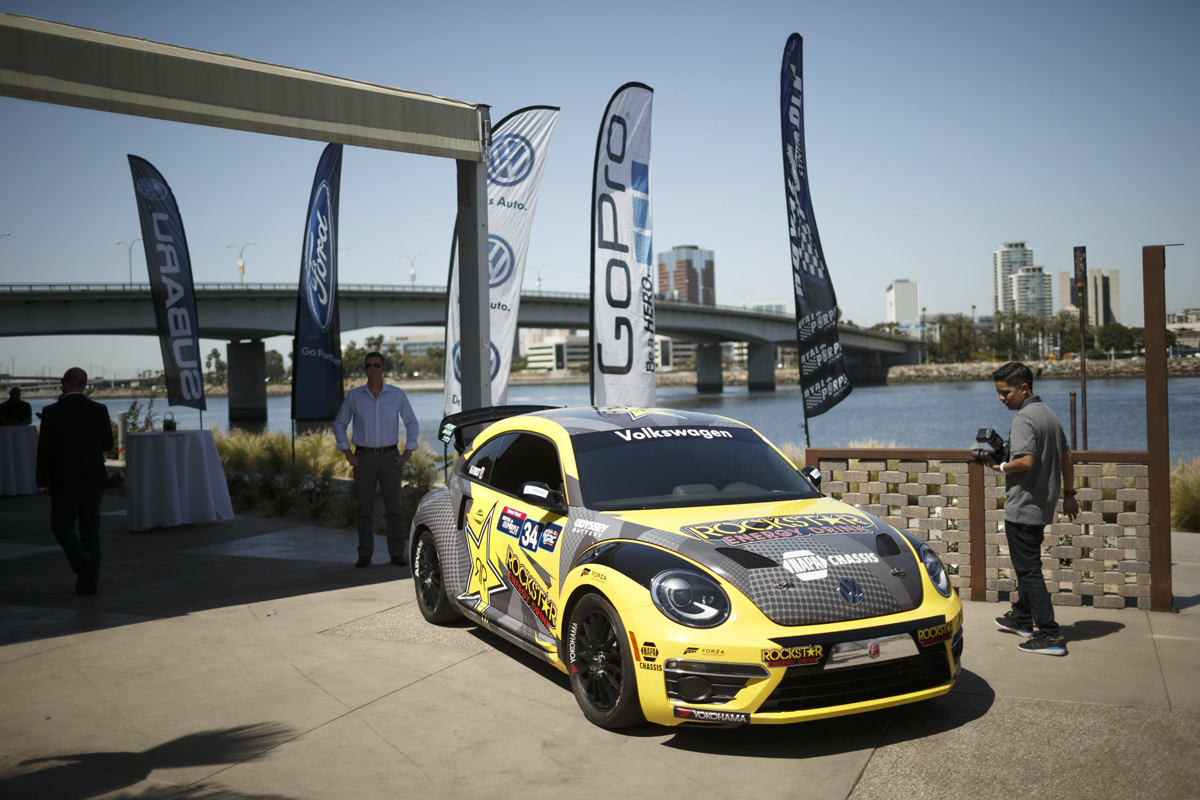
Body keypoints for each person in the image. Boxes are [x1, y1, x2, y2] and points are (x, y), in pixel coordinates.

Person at [989, 361, 1080, 656]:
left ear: (1023, 388)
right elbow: (1067, 456)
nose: (1002, 398)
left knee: (1029, 571)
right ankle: (1021, 618)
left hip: (1023, 507)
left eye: (1005, 392)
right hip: (1042, 505)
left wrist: (999, 464)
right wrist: (1069, 493)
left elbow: (1026, 461)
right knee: (1027, 566)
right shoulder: (1050, 415)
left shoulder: (1024, 418)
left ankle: (1051, 635)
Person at [333, 351, 419, 568]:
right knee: (364, 509)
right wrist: (348, 453)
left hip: (391, 458)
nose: (372, 369)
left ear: (384, 369)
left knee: (395, 508)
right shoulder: (354, 396)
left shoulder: (397, 394)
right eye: (369, 365)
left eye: (376, 365)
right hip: (363, 459)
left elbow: (412, 423)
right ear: (364, 369)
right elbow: (339, 425)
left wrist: (408, 452)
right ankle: (364, 555)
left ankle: (397, 554)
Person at [35, 368, 114, 595]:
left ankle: (81, 561)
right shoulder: (99, 410)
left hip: (65, 481)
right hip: (94, 479)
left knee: (61, 526)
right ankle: (90, 583)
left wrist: (42, 481)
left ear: (67, 383)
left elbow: (44, 451)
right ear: (85, 384)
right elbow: (107, 445)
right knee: (90, 531)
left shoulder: (52, 412)